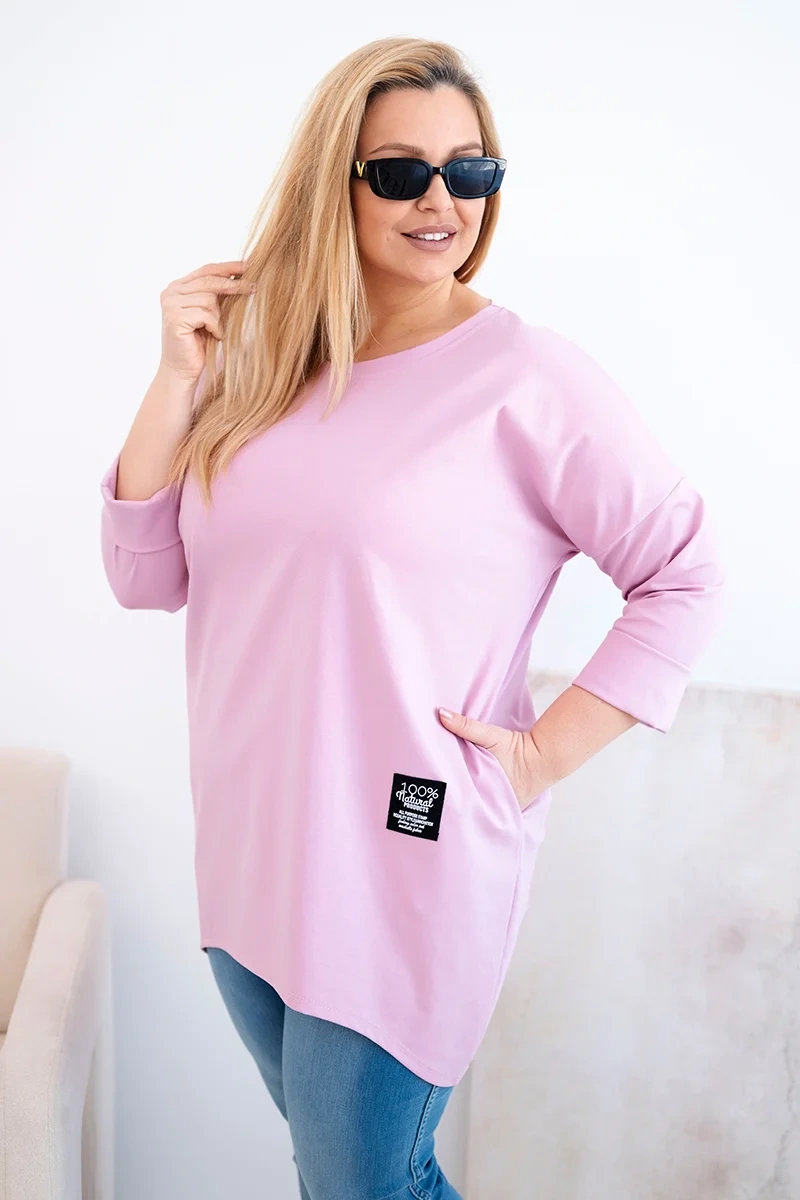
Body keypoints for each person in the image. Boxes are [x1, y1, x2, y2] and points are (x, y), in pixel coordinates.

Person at [98, 35, 726, 1200]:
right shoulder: (267, 365)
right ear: (331, 183)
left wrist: (540, 757)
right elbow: (145, 574)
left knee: (361, 1185)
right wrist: (177, 377)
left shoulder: (528, 378)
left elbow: (683, 572)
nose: (441, 202)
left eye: (468, 171)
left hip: (403, 853)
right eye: (399, 173)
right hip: (248, 844)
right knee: (352, 1177)